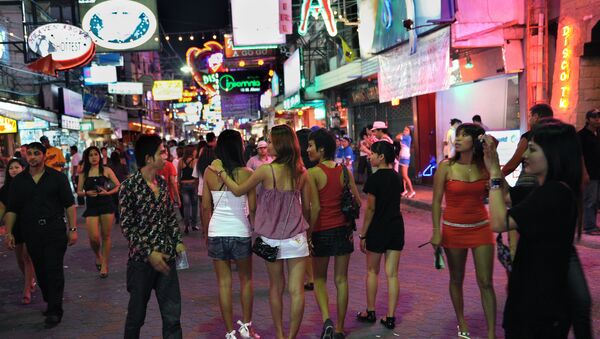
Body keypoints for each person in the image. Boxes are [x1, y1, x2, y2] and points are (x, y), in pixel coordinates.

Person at [483, 120, 589, 338]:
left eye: (532, 149)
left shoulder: (554, 194)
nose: (524, 156)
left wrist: (495, 172)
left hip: (539, 308)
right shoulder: (545, 190)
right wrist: (492, 163)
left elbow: (499, 222)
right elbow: (506, 196)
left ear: (552, 154)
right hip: (535, 302)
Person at [210, 124, 310, 339]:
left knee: (276, 288)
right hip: (297, 236)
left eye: (272, 142)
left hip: (270, 238)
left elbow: (238, 191)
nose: (267, 145)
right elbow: (308, 208)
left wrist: (220, 172)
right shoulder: (302, 172)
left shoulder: (265, 170)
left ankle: (281, 336)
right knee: (296, 291)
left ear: (281, 145)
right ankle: (291, 337)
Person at [431, 123, 496, 338]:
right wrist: (436, 231)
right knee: (456, 278)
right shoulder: (446, 167)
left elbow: (501, 190)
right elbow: (436, 201)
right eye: (457, 135)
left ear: (476, 140)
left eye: (464, 135)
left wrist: (492, 155)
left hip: (481, 227)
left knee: (486, 282)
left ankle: (491, 332)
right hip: (453, 229)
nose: (457, 139)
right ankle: (461, 322)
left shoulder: (484, 166)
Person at [4, 142, 78, 328]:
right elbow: (12, 209)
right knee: (41, 271)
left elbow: (69, 204)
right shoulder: (19, 181)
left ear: (44, 155)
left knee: (54, 269)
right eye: (29, 154)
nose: (33, 157)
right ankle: (50, 299)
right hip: (32, 232)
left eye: (37, 153)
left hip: (54, 230)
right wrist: (9, 232)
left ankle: (55, 310)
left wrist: (73, 229)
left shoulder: (57, 178)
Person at [119, 134, 185, 339]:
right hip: (141, 263)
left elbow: (169, 218)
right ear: (149, 158)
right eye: (161, 152)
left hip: (167, 259)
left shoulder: (163, 184)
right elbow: (128, 227)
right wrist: (149, 253)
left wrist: (178, 243)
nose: (165, 156)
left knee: (172, 317)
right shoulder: (129, 187)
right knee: (136, 316)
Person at [202, 130, 259, 339]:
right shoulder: (247, 173)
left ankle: (229, 332)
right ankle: (246, 327)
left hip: (217, 231)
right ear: (238, 147)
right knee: (246, 281)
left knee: (224, 284)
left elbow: (205, 207)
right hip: (240, 231)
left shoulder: (209, 172)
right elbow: (252, 207)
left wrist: (206, 234)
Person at [306, 128, 361, 339]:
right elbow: (356, 201)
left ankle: (326, 319)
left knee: (319, 279)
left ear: (321, 150)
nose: (308, 150)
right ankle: (339, 328)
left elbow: (316, 208)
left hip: (321, 231)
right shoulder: (344, 171)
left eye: (311, 146)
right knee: (341, 280)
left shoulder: (312, 173)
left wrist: (308, 233)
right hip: (343, 231)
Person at [355, 141, 404, 331]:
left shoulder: (374, 179)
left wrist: (363, 234)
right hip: (396, 227)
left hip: (377, 229)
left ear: (381, 156)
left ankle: (371, 311)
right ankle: (390, 317)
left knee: (372, 272)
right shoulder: (397, 177)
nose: (370, 156)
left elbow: (371, 209)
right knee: (392, 274)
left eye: (373, 153)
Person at [77, 146, 120, 278]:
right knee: (94, 238)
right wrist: (86, 193)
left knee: (106, 236)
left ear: (99, 156)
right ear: (87, 158)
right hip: (92, 207)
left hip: (106, 205)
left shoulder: (106, 170)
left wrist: (108, 192)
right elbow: (78, 191)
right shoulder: (84, 173)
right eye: (91, 155)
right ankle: (98, 255)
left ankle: (105, 264)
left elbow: (118, 185)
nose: (94, 157)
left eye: (96, 154)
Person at [1, 158, 36, 304]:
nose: (14, 170)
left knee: (28, 257)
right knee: (20, 259)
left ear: (23, 168)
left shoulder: (30, 184)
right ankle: (30, 279)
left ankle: (27, 289)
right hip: (14, 226)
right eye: (11, 168)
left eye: (16, 167)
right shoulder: (4, 190)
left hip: (30, 223)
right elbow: (2, 210)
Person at [502, 103, 554, 178]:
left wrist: (496, 177)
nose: (528, 120)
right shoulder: (557, 137)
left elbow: (512, 165)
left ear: (535, 117)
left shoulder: (528, 137)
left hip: (529, 183)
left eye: (529, 116)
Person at [578, 109, 600, 235]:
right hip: (590, 173)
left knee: (595, 200)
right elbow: (580, 156)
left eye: (598, 117)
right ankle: (589, 226)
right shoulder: (582, 135)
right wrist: (584, 173)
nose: (597, 119)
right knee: (589, 200)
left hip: (597, 173)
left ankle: (591, 224)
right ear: (587, 119)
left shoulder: (597, 134)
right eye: (594, 117)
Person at [179, 145, 199, 233]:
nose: (196, 152)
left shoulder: (180, 161)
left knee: (186, 206)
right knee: (194, 205)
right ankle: (194, 225)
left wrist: (178, 185)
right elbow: (196, 175)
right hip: (193, 184)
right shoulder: (195, 161)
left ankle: (186, 226)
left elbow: (179, 175)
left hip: (184, 185)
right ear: (192, 151)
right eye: (195, 151)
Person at [108, 151, 129, 224]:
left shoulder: (109, 167)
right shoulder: (122, 165)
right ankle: (123, 216)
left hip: (113, 187)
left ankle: (117, 217)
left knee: (115, 202)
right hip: (122, 185)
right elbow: (127, 174)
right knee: (122, 202)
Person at [397, 126, 415, 198]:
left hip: (405, 158)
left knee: (405, 176)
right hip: (402, 157)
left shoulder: (407, 137)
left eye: (406, 130)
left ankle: (412, 191)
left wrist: (402, 133)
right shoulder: (405, 136)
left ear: (410, 132)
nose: (404, 131)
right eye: (404, 129)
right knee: (403, 176)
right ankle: (404, 190)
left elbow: (397, 137)